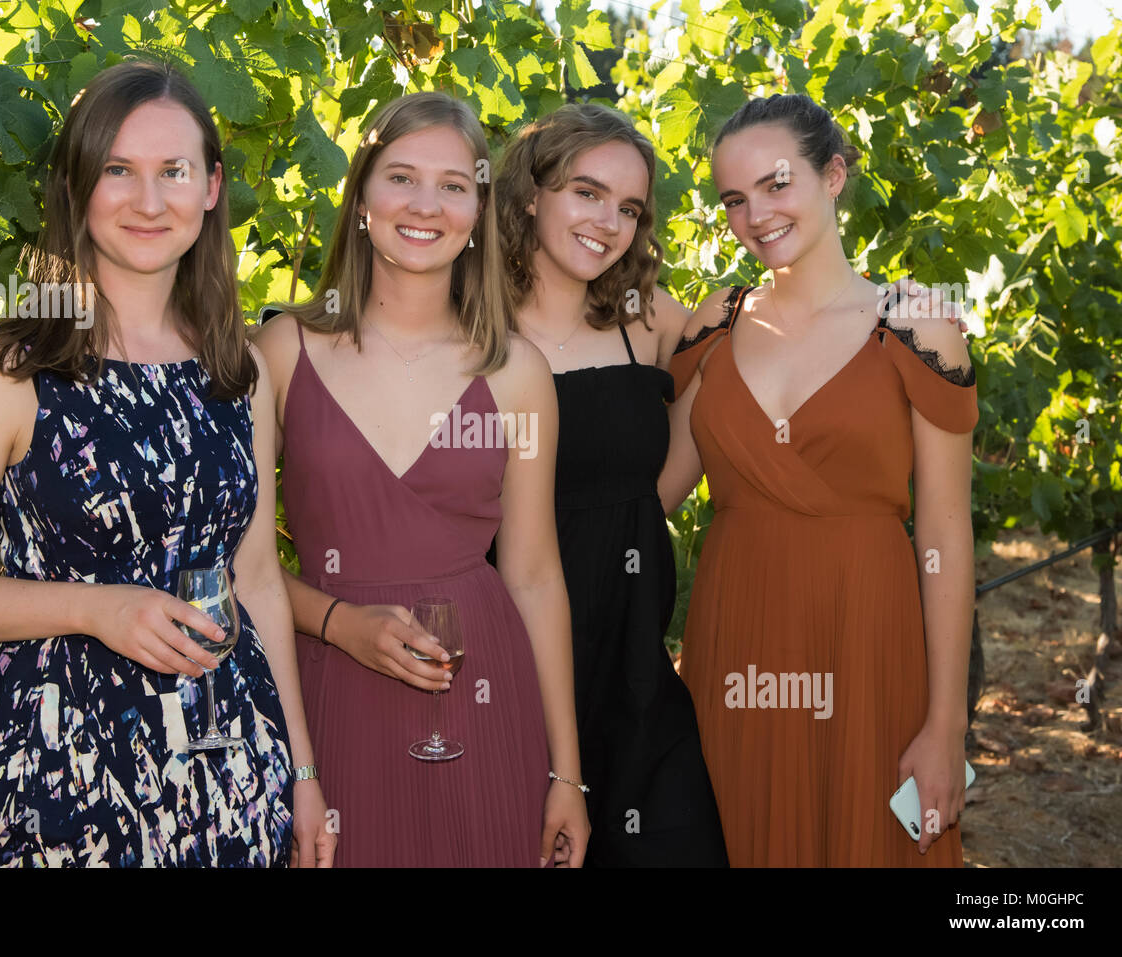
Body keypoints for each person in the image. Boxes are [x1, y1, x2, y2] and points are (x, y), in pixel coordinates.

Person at [0, 59, 332, 867]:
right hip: (52, 781)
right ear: (77, 185)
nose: (149, 201)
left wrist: (300, 769)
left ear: (213, 187)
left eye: (174, 171)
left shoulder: (240, 373)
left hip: (229, 771)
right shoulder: (10, 370)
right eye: (118, 169)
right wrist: (97, 609)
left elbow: (256, 577)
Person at [253, 92, 590, 867]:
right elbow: (247, 567)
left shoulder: (518, 374)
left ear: (478, 208)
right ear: (362, 195)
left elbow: (536, 575)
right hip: (328, 690)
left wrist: (566, 772)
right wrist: (342, 622)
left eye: (452, 185)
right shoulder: (281, 353)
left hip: (480, 692)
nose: (425, 205)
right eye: (401, 177)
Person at [659, 93, 977, 866]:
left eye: (775, 184)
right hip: (735, 647)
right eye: (734, 199)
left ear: (832, 174)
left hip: (868, 644)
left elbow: (943, 532)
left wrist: (945, 724)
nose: (755, 214)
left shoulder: (917, 322)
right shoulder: (715, 324)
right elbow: (650, 497)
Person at [493, 104, 727, 866]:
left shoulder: (648, 317)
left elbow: (708, 416)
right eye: (587, 193)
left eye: (628, 208)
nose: (609, 222)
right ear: (531, 193)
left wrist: (631, 518)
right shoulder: (466, 319)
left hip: (635, 668)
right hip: (509, 662)